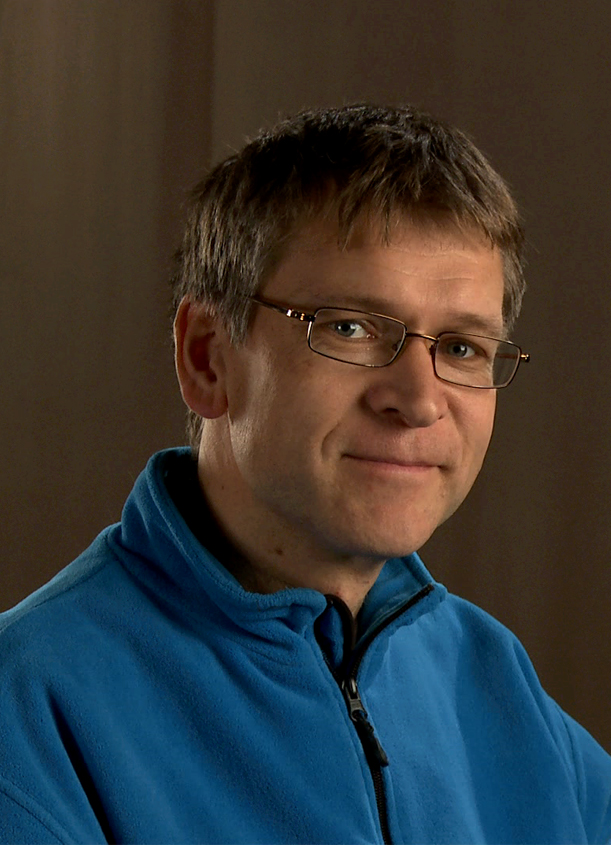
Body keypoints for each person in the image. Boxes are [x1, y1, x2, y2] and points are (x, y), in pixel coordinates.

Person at [1, 104, 609, 845]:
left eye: (460, 348)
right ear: (207, 358)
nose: (419, 401)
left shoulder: (496, 683)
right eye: (349, 328)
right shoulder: (30, 715)